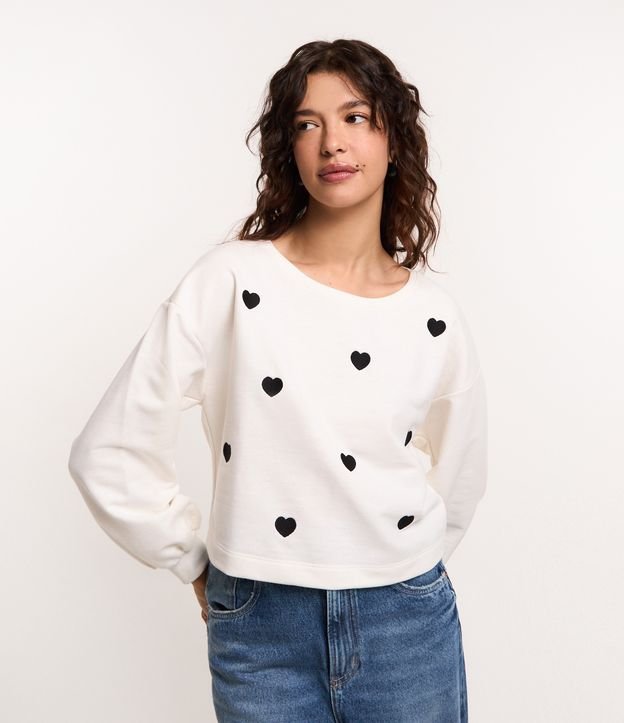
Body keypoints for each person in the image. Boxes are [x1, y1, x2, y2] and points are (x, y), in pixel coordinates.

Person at [68, 38, 487, 722]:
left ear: (394, 140)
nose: (332, 142)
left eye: (355, 117)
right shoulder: (232, 281)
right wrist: (192, 559)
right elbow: (107, 449)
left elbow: (460, 476)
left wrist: (387, 561)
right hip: (260, 625)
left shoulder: (433, 316)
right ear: (288, 148)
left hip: (407, 622)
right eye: (306, 123)